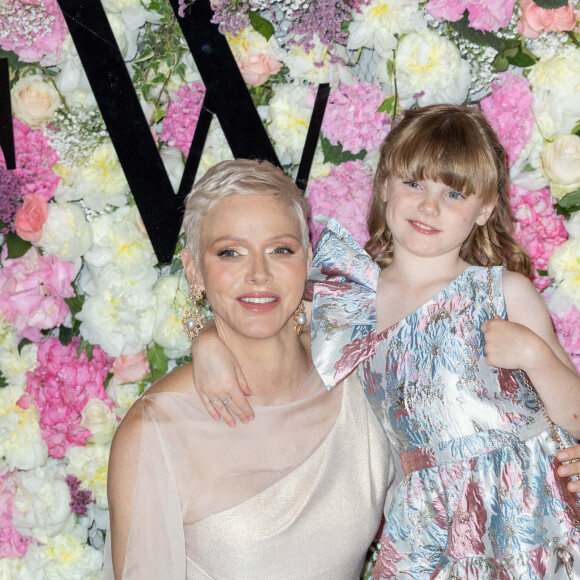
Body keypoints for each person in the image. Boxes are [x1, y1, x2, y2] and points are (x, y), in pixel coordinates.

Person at [191, 105, 580, 578]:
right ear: (384, 186)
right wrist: (207, 342)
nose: (428, 206)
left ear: (484, 210)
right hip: (427, 521)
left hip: (527, 507)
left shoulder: (503, 293)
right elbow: (262, 321)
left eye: (453, 193)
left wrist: (536, 355)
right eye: (414, 183)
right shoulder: (347, 298)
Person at [104, 159, 398, 579]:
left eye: (281, 250)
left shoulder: (360, 374)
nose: (259, 274)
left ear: (308, 258)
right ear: (194, 270)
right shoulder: (155, 432)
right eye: (230, 252)